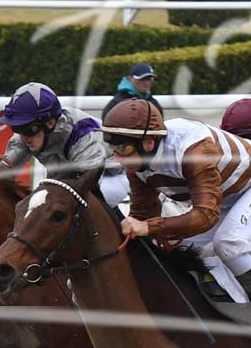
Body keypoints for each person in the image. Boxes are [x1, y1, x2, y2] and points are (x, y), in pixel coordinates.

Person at [102, 98, 251, 304]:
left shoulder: (194, 150)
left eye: (124, 148)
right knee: (176, 247)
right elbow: (143, 214)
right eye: (113, 148)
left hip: (240, 192)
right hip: (228, 196)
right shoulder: (137, 166)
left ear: (149, 143)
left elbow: (206, 215)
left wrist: (148, 227)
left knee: (229, 244)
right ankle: (234, 308)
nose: (118, 158)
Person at [0, 81, 129, 204]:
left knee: (59, 204)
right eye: (17, 128)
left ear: (50, 122)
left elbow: (88, 188)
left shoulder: (84, 133)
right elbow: (6, 170)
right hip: (70, 176)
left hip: (113, 175)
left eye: (29, 128)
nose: (23, 137)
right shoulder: (27, 134)